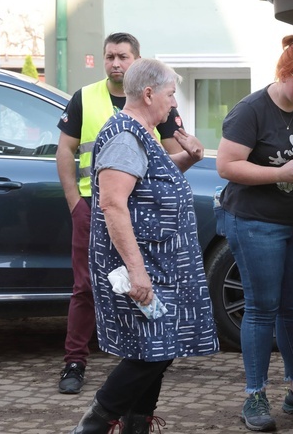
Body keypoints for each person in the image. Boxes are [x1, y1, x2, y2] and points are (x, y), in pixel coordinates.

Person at [68, 58, 218, 433]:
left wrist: (190, 157)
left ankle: (137, 424)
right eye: (170, 95)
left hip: (162, 263)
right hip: (145, 265)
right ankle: (95, 423)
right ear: (149, 93)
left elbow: (150, 185)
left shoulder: (140, 134)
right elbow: (113, 203)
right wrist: (138, 272)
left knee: (157, 350)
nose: (173, 104)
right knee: (151, 353)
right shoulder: (125, 136)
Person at [56, 32, 191, 394]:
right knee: (87, 287)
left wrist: (189, 156)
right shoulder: (87, 98)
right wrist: (75, 202)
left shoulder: (159, 104)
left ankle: (136, 378)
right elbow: (65, 151)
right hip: (97, 208)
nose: (115, 63)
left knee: (141, 301)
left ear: (137, 62)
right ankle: (76, 362)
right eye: (110, 56)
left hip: (142, 222)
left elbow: (164, 163)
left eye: (123, 57)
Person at [215, 35, 293, 432]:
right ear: (284, 73)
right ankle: (254, 395)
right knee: (261, 306)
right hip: (254, 221)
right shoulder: (250, 111)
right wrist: (278, 174)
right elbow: (227, 165)